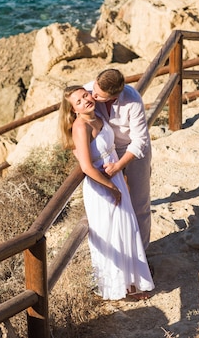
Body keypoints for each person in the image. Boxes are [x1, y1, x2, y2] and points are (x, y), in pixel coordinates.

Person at [59, 85, 154, 300]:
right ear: (74, 110)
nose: (85, 101)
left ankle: (130, 285)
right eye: (79, 102)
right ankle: (116, 289)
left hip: (116, 178)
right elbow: (86, 167)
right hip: (101, 186)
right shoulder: (80, 127)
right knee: (111, 233)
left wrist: (121, 181)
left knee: (125, 230)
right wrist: (112, 187)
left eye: (85, 95)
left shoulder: (98, 115)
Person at [84, 69, 153, 250]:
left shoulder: (133, 100)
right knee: (111, 204)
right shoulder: (90, 90)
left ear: (114, 96)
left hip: (133, 151)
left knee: (140, 204)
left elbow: (140, 141)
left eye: (98, 95)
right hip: (108, 150)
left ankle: (144, 254)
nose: (92, 95)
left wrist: (118, 166)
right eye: (94, 88)